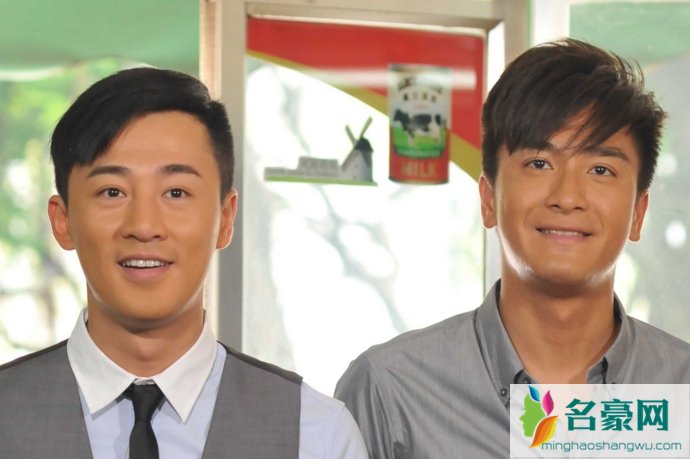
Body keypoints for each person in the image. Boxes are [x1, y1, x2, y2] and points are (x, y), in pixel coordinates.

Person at [334, 38, 690, 458]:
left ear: (638, 213)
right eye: (539, 163)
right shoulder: (391, 391)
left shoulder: (681, 387)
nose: (567, 197)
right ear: (489, 199)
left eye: (600, 169)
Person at [0, 68, 368, 459]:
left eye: (176, 192)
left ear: (225, 218)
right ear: (62, 221)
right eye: (112, 191)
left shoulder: (316, 435)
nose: (144, 226)